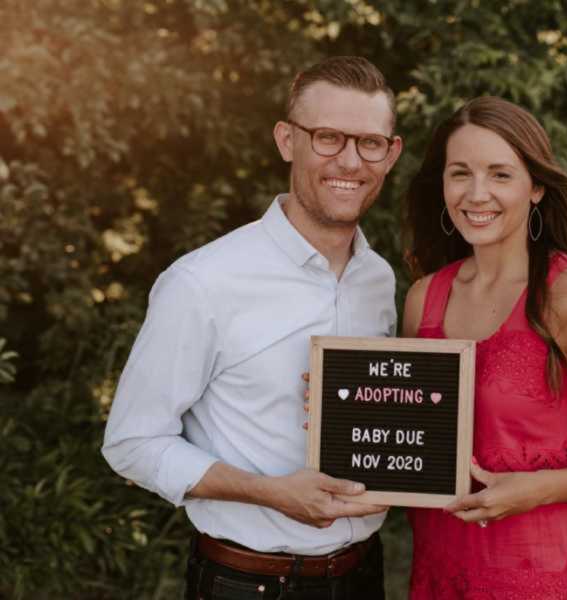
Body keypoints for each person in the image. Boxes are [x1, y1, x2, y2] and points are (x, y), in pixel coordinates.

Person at [102, 56, 403, 600]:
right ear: (288, 140)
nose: (351, 161)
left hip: (363, 576)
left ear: (392, 152)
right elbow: (132, 442)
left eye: (370, 143)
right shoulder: (203, 281)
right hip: (248, 585)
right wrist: (270, 493)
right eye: (329, 137)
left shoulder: (377, 279)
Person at [401, 96, 567, 598]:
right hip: (439, 566)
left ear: (537, 187)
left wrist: (537, 488)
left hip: (532, 568)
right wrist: (340, 404)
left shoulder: (566, 296)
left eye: (500, 174)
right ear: (442, 184)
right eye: (460, 173)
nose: (477, 193)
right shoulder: (424, 299)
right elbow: (410, 435)